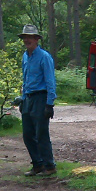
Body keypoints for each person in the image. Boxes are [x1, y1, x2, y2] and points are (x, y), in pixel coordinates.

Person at [19, 24, 57, 177]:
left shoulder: (44, 57)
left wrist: (49, 103)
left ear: (36, 39)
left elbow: (50, 81)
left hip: (41, 97)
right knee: (27, 134)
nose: (27, 40)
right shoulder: (25, 56)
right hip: (28, 98)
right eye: (25, 37)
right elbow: (25, 79)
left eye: (30, 37)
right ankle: (37, 164)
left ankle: (49, 165)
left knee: (41, 133)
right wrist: (22, 99)